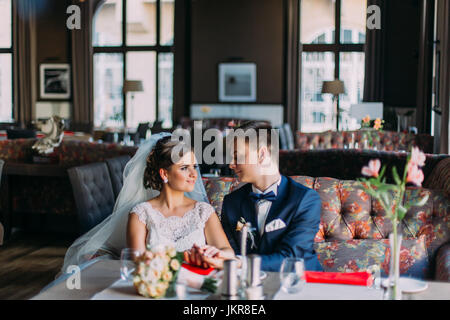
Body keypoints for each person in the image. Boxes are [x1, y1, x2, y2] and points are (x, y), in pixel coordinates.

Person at [62, 133, 234, 273]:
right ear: (164, 174)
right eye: (184, 168)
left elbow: (228, 253)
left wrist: (213, 255)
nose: (193, 174)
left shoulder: (203, 211)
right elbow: (136, 263)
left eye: (194, 167)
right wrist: (182, 258)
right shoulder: (140, 214)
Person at [219, 121, 323, 272]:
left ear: (262, 154)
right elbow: (231, 251)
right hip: (250, 284)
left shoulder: (305, 200)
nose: (231, 164)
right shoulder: (231, 202)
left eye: (237, 156)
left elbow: (291, 257)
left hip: (300, 283)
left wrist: (240, 263)